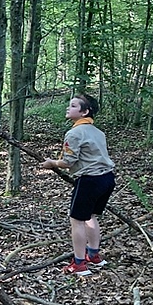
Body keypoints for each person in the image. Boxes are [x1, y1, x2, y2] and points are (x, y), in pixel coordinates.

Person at [41, 94, 115, 276]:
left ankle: (79, 263)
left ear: (84, 112)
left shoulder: (74, 133)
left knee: (77, 220)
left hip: (90, 180)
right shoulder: (98, 132)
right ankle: (94, 255)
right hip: (107, 179)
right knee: (90, 216)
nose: (68, 108)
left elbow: (67, 162)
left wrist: (51, 163)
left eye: (73, 105)